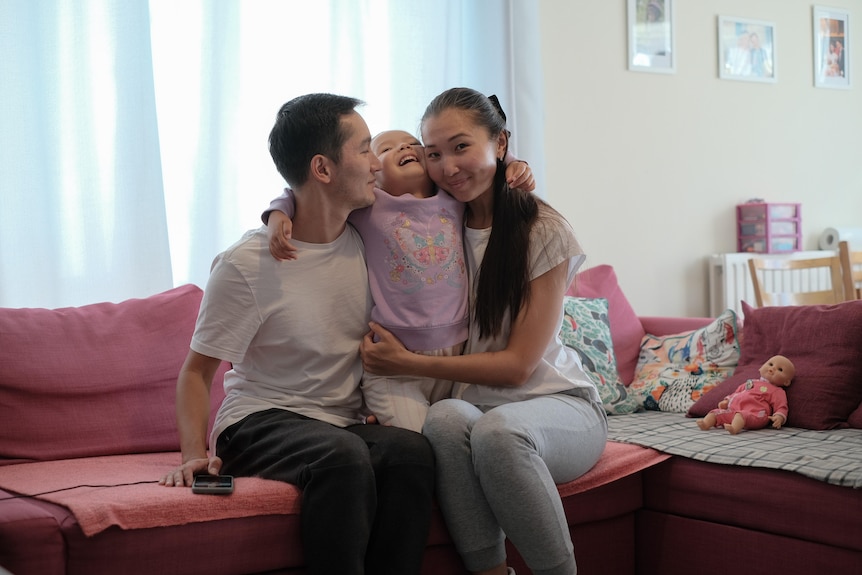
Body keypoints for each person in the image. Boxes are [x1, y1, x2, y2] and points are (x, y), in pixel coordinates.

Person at [158, 93, 436, 575]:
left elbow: (452, 191)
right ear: (323, 169)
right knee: (344, 458)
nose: (377, 164)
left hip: (336, 423)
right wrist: (192, 456)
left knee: (411, 453)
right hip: (258, 421)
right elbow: (197, 373)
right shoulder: (248, 264)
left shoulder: (369, 236)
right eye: (366, 149)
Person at [360, 88, 607, 575]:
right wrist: (279, 212)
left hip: (562, 408)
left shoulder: (541, 230)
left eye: (460, 147)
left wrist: (408, 364)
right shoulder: (437, 221)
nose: (448, 166)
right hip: (479, 408)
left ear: (500, 143)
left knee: (498, 431)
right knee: (446, 419)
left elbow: (517, 368)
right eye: (434, 154)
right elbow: (344, 195)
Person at [263, 129, 534, 432]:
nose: (404, 146)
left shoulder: (455, 198)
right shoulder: (370, 207)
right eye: (387, 148)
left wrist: (513, 163)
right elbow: (307, 193)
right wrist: (278, 213)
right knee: (422, 448)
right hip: (393, 368)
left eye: (413, 143)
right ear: (373, 174)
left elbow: (483, 162)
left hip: (455, 359)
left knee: (454, 439)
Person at [697, 355, 794, 434]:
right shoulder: (751, 382)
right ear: (761, 367)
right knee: (716, 412)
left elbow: (781, 406)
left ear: (786, 382)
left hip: (756, 415)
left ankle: (734, 428)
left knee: (741, 415)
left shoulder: (777, 391)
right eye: (770, 364)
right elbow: (737, 393)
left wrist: (779, 417)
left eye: (780, 369)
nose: (772, 369)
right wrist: (727, 401)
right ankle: (706, 424)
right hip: (734, 410)